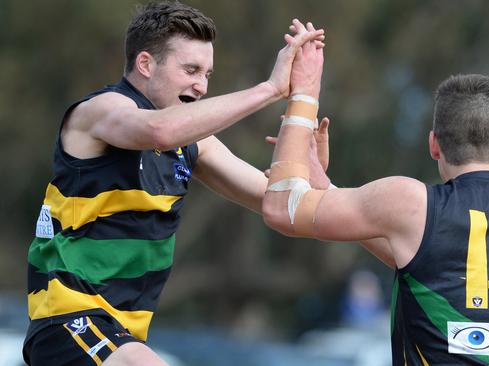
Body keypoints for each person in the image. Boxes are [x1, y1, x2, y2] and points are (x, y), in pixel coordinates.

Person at [24, 2, 327, 365]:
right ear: (146, 64)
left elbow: (280, 203)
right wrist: (271, 88)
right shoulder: (100, 112)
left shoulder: (194, 144)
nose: (201, 86)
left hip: (123, 335)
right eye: (191, 70)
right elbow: (160, 130)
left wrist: (310, 171)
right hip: (68, 322)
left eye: (208, 74)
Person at [262, 37, 489, 365]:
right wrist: (327, 191)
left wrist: (304, 93)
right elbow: (423, 260)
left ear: (434, 145)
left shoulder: (413, 203)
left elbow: (282, 208)